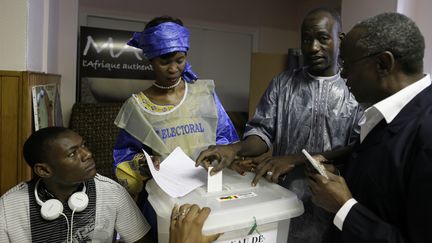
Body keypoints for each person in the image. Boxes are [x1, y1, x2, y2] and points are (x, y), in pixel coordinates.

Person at [196, 8, 363, 243]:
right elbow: (262, 133)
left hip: (334, 206)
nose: (313, 47)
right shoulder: (283, 84)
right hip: (285, 199)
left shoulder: (356, 88)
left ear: (340, 39)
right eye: (306, 39)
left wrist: (295, 158)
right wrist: (234, 149)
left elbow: (359, 148)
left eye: (323, 38)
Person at [306, 12, 432, 243]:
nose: (342, 74)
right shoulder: (386, 112)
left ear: (383, 64)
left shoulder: (427, 132)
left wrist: (344, 208)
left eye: (347, 64)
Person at [0, 127, 219, 243]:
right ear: (44, 170)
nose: (88, 154)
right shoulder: (8, 208)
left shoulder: (111, 192)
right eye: (73, 153)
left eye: (83, 145)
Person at [113, 15, 239, 196]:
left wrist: (221, 155)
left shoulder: (203, 94)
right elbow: (124, 156)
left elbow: (225, 137)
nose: (173, 69)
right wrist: (144, 163)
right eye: (164, 62)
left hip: (209, 189)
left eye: (179, 60)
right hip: (166, 196)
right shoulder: (137, 107)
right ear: (150, 59)